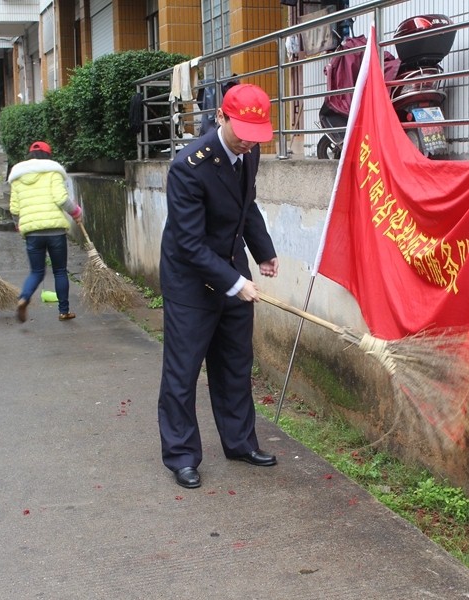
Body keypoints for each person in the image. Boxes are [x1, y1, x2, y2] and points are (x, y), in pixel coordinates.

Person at [157, 83, 280, 489]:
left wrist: (263, 251)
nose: (248, 143)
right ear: (220, 117)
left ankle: (240, 442)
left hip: (231, 267)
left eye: (256, 136)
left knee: (235, 365)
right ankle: (181, 455)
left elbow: (247, 204)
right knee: (183, 372)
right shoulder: (188, 167)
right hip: (191, 282)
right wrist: (234, 283)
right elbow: (189, 243)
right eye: (242, 133)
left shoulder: (250, 151)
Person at [8, 141, 83, 323]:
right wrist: (76, 212)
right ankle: (64, 311)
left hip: (32, 232)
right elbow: (61, 198)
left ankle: (24, 297)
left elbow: (15, 209)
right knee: (60, 271)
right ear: (48, 155)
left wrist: (19, 225)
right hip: (55, 230)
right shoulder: (52, 172)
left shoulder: (17, 177)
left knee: (36, 271)